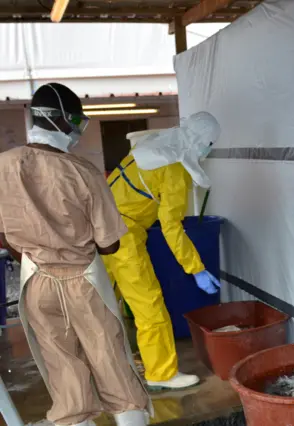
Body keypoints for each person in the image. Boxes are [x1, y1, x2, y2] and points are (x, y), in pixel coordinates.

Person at [0, 83, 151, 426]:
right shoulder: (82, 171)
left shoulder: (3, 166)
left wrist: (35, 246)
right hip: (84, 282)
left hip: (36, 282)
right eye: (76, 123)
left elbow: (3, 236)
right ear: (63, 121)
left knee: (66, 380)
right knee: (115, 371)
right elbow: (109, 244)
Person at [103, 111, 221, 390]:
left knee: (102, 303)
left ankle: (98, 370)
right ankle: (161, 373)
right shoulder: (174, 169)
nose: (207, 150)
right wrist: (197, 268)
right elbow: (171, 227)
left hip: (100, 227)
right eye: (209, 145)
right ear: (201, 142)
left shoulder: (153, 145)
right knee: (149, 306)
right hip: (123, 236)